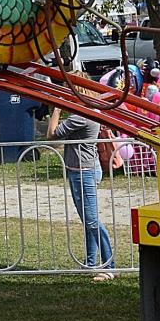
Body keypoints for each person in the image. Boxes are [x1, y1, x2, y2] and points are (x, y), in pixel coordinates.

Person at [46, 84, 115, 282]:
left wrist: (57, 108)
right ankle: (90, 262)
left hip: (82, 173)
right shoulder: (91, 111)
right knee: (88, 220)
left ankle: (110, 265)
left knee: (92, 220)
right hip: (88, 170)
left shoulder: (80, 116)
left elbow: (51, 135)